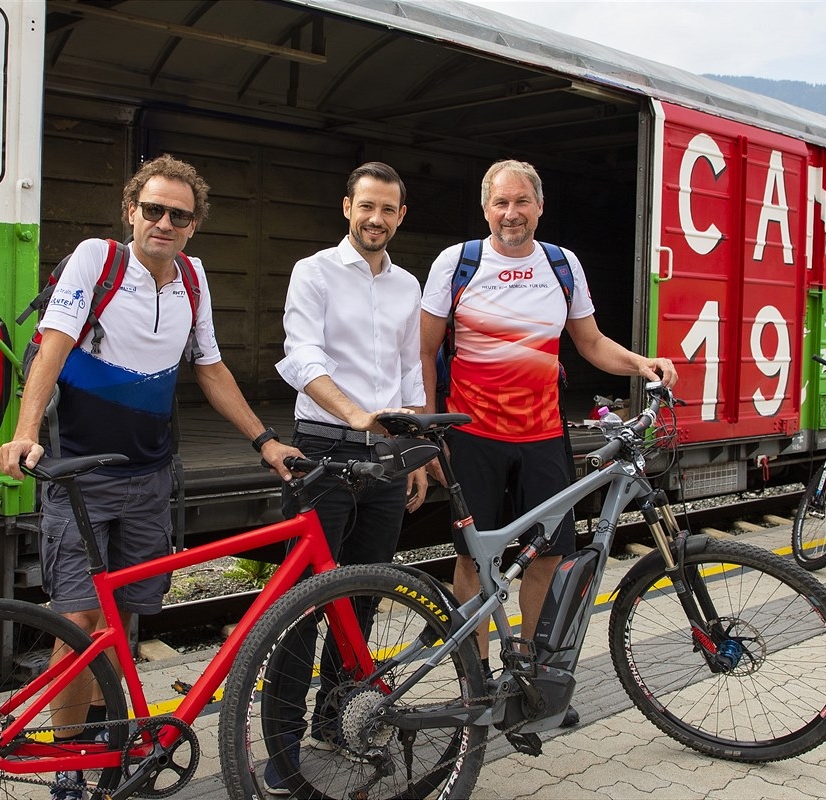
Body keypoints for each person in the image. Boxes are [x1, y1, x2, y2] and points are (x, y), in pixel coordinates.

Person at [0, 154, 302, 800]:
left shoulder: (192, 276)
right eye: (153, 209)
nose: (164, 222)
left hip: (150, 474)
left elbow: (210, 367)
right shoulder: (97, 261)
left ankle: (109, 747)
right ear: (131, 210)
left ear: (194, 225)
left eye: (179, 215)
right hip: (81, 476)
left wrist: (265, 441)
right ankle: (68, 765)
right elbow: (53, 346)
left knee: (124, 619)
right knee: (79, 621)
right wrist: (25, 432)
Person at [419, 159, 677, 729]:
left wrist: (641, 363)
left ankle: (529, 681)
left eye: (521, 202)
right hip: (473, 435)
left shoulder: (561, 264)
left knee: (549, 556)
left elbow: (590, 342)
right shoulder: (458, 262)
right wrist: (430, 430)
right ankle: (475, 684)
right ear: (485, 208)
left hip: (542, 435)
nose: (511, 213)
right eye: (500, 203)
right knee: (473, 559)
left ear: (540, 206)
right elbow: (422, 350)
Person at [265, 161, 428, 794]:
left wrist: (415, 452)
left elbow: (409, 372)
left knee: (362, 596)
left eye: (387, 209)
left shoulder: (408, 284)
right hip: (323, 451)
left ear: (401, 215)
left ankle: (335, 722)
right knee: (301, 606)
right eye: (366, 206)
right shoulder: (313, 272)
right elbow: (301, 356)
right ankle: (281, 748)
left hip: (386, 456)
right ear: (347, 208)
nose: (375, 219)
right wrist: (356, 413)